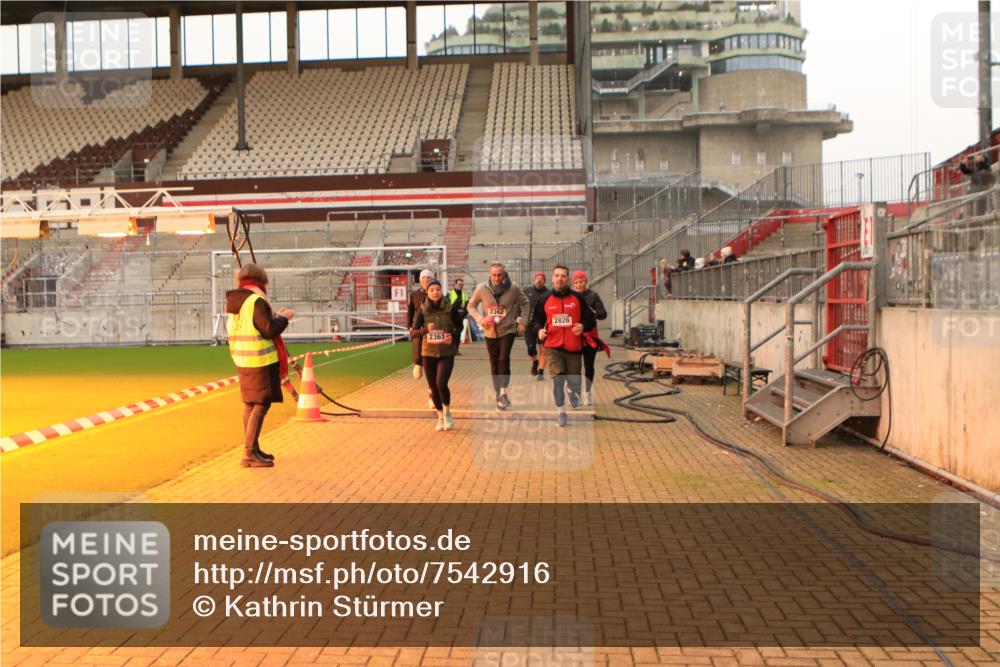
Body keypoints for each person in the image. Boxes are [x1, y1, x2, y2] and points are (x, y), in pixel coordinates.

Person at [225, 263, 293, 468]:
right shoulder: (255, 301)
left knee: (250, 405)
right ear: (261, 281)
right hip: (260, 360)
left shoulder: (236, 302)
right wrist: (284, 318)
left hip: (243, 359)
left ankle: (252, 448)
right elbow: (269, 330)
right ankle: (249, 453)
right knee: (261, 404)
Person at [532, 265, 597, 427]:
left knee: (574, 381)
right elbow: (536, 320)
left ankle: (572, 390)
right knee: (558, 380)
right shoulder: (545, 299)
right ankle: (561, 412)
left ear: (568, 279)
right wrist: (539, 330)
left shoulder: (577, 298)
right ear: (552, 278)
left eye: (563, 276)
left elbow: (591, 319)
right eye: (557, 275)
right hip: (552, 346)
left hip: (574, 347)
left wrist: (583, 326)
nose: (560, 279)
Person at [468, 262, 530, 411]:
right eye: (494, 275)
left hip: (508, 329)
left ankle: (503, 392)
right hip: (490, 331)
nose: (496, 278)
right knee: (494, 362)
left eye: (499, 275)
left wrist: (524, 322)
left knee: (504, 358)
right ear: (490, 274)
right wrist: (481, 319)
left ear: (504, 274)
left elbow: (525, 303)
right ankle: (498, 394)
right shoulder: (482, 288)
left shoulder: (513, 288)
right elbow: (471, 306)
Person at [410, 280, 463, 431]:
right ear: (427, 292)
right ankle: (440, 417)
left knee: (441, 383)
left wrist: (451, 335)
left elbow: (459, 326)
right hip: (428, 353)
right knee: (433, 387)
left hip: (446, 352)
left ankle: (447, 413)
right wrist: (425, 330)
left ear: (441, 291)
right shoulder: (422, 309)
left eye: (438, 289)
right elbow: (413, 331)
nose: (435, 292)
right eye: (432, 290)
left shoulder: (450, 307)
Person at [571, 270, 608, 406]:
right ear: (573, 284)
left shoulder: (593, 295)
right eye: (576, 283)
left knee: (589, 365)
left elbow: (603, 314)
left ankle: (587, 393)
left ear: (586, 281)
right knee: (574, 367)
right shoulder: (571, 296)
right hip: (574, 336)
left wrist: (593, 311)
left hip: (590, 335)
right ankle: (575, 394)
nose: (579, 285)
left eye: (581, 282)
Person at [407, 269, 436, 407]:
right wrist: (409, 327)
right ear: (419, 280)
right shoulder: (414, 295)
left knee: (432, 367)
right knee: (418, 357)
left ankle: (432, 395)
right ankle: (418, 363)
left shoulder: (438, 294)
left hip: (434, 333)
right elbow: (410, 311)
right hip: (419, 331)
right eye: (423, 277)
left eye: (428, 277)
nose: (426, 280)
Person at [523, 271, 549, 379]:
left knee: (543, 349)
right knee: (531, 349)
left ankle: (541, 372)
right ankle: (535, 361)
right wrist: (519, 318)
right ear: (534, 279)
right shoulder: (526, 291)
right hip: (529, 324)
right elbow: (519, 305)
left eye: (541, 278)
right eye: (537, 278)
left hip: (544, 325)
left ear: (545, 281)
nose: (539, 280)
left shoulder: (549, 293)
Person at [448, 277, 471, 345]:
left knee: (458, 333)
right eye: (459, 284)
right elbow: (446, 305)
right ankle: (451, 348)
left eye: (461, 285)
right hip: (451, 316)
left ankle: (456, 349)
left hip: (460, 317)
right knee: (451, 333)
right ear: (455, 285)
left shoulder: (465, 295)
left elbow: (468, 307)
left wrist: (462, 315)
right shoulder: (449, 294)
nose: (460, 286)